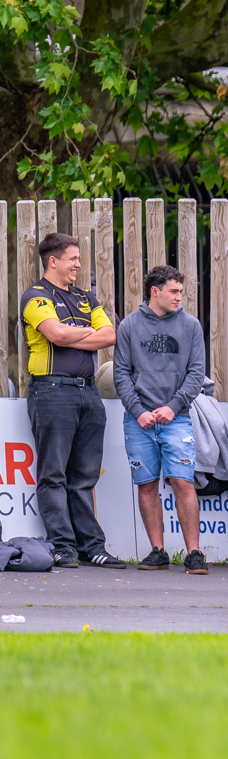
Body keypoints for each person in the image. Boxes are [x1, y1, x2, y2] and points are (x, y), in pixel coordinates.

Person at [19, 232, 125, 568]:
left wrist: (72, 333)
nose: (79, 264)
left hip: (88, 391)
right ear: (54, 261)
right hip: (51, 391)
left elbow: (111, 335)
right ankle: (62, 547)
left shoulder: (85, 298)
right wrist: (83, 333)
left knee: (85, 476)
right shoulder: (35, 296)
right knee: (55, 474)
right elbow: (55, 334)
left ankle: (92, 547)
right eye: (73, 258)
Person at [114, 265, 207, 573]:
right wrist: (138, 410)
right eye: (174, 291)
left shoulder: (191, 325)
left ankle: (194, 553)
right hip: (138, 420)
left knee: (183, 482)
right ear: (155, 292)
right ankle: (158, 551)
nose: (180, 297)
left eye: (181, 291)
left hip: (176, 418)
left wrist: (174, 406)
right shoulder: (129, 325)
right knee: (146, 484)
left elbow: (197, 374)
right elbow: (121, 374)